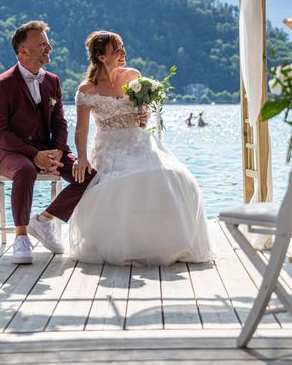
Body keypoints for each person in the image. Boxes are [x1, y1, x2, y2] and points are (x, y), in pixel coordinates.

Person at [68, 31, 212, 266]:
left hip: (140, 141)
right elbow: (81, 129)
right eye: (117, 50)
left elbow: (141, 114)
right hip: (110, 146)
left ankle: (165, 242)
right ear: (102, 57)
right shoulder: (88, 89)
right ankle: (127, 244)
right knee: (125, 180)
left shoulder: (134, 76)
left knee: (175, 175)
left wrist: (142, 114)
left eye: (123, 47)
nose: (124, 53)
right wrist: (82, 157)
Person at [0, 20, 95, 264]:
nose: (50, 48)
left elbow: (60, 122)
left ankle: (44, 220)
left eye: (48, 43)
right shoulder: (0, 85)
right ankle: (21, 236)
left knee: (89, 176)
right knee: (24, 170)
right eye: (42, 44)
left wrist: (57, 152)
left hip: (48, 151)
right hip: (8, 152)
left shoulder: (52, 81)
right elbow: (0, 133)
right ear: (23, 51)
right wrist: (35, 155)